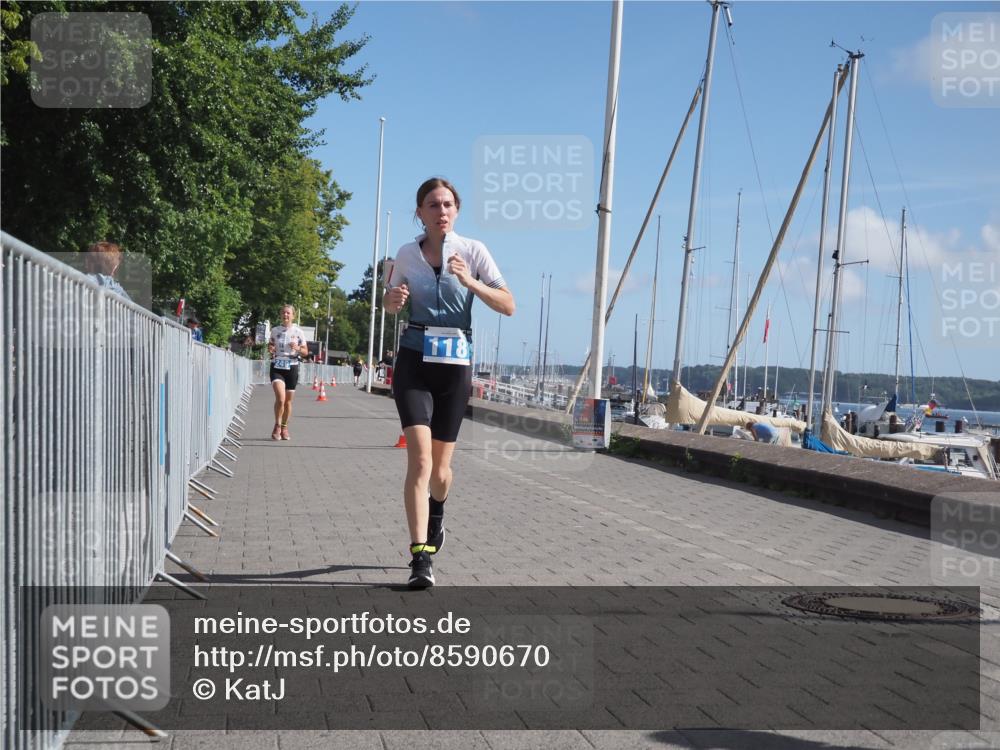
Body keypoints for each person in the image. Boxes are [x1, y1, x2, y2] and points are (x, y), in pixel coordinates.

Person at [383, 177, 515, 588]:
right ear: (420, 213)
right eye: (432, 205)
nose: (441, 211)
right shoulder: (406, 254)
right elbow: (389, 303)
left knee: (442, 470)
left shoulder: (474, 252)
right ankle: (420, 557)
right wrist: (394, 302)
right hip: (414, 361)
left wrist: (471, 282)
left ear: (456, 211)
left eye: (447, 205)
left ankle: (437, 513)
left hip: (455, 366)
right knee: (420, 461)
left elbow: (508, 305)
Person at [267, 304, 308, 441]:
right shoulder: (275, 330)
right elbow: (271, 344)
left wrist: (297, 348)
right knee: (281, 398)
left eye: (288, 313)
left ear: (293, 316)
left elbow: (305, 352)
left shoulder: (298, 332)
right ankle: (277, 425)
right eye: (283, 313)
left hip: (292, 366)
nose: (285, 315)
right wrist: (271, 348)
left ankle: (284, 427)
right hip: (277, 366)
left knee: (288, 402)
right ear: (281, 315)